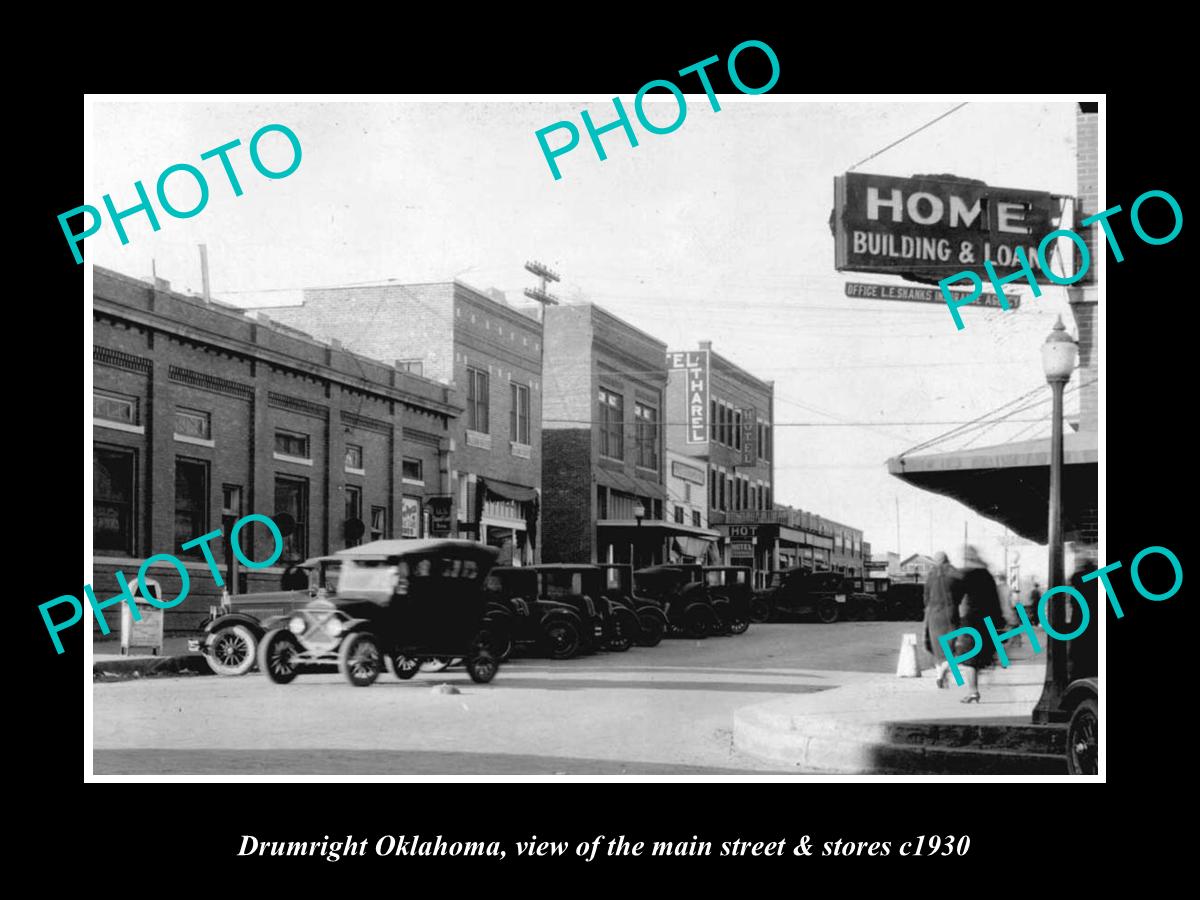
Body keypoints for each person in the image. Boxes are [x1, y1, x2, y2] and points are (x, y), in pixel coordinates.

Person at [957, 545, 1004, 703]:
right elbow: (995, 599)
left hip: (971, 619)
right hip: (987, 620)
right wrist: (998, 620)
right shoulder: (987, 574)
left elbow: (957, 598)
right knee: (982, 654)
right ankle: (980, 681)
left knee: (969, 657)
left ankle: (973, 691)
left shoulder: (965, 575)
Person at [923, 551, 962, 689]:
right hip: (950, 614)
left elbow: (926, 597)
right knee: (950, 647)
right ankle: (944, 672)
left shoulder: (931, 575)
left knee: (937, 648)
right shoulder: (955, 574)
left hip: (934, 615)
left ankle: (939, 675)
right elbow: (960, 595)